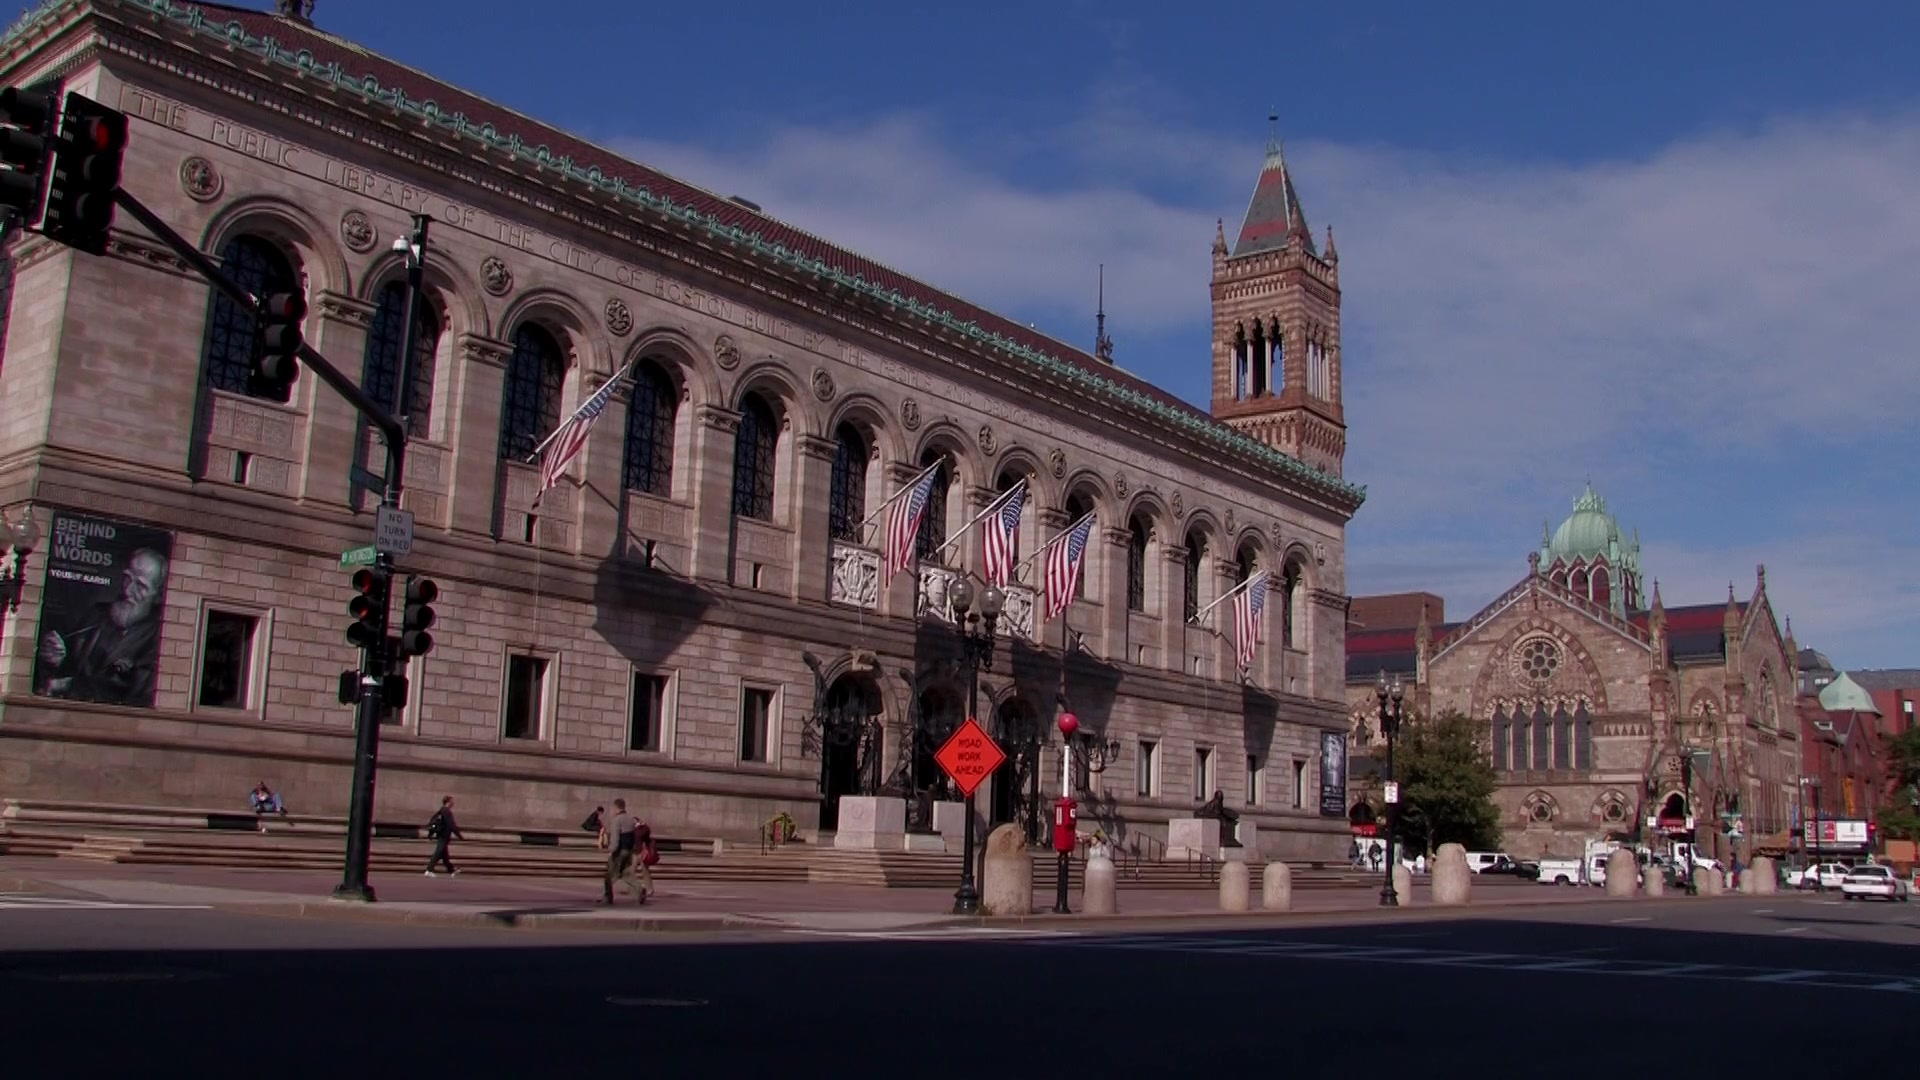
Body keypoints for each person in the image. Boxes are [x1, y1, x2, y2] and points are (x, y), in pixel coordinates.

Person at [36, 548, 169, 705]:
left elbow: (136, 694)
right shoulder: (97, 615)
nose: (127, 590)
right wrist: (57, 658)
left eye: (140, 586)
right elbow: (70, 665)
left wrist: (68, 685)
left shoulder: (159, 636)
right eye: (127, 578)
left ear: (158, 595)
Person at [601, 798, 641, 904]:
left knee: (609, 875)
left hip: (619, 851)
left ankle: (607, 897)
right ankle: (639, 890)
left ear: (616, 807)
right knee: (626, 874)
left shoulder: (617, 820)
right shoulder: (631, 820)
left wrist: (611, 851)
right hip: (628, 851)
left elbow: (615, 839)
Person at [424, 796, 462, 877]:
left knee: (444, 855)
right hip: (443, 836)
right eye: (452, 801)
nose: (453, 803)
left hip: (442, 835)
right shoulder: (446, 811)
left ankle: (451, 870)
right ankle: (429, 870)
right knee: (438, 853)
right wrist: (459, 835)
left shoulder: (442, 810)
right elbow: (451, 824)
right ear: (448, 802)